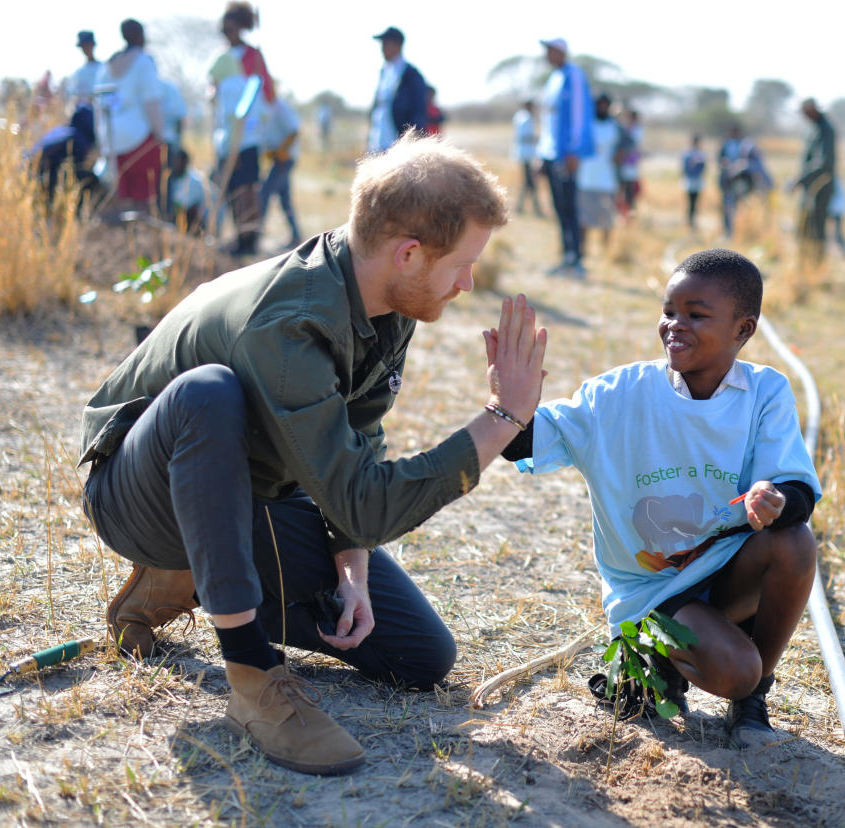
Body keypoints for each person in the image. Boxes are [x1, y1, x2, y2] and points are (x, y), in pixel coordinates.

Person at [80, 134, 547, 776]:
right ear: (409, 254)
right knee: (207, 395)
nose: (468, 284)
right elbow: (368, 501)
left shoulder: (386, 296)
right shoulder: (290, 321)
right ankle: (251, 680)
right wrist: (503, 419)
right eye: (463, 265)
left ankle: (189, 580)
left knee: (420, 656)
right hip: (140, 493)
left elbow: (358, 449)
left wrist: (350, 566)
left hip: (253, 492)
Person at [500, 248, 820, 749]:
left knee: (796, 543)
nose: (675, 325)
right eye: (669, 311)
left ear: (744, 330)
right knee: (734, 669)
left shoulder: (765, 392)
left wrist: (773, 497)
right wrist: (509, 407)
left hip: (725, 569)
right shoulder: (619, 393)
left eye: (696, 315)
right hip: (654, 591)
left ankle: (753, 697)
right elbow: (527, 442)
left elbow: (798, 490)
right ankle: (651, 658)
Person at [210, 2, 271, 256]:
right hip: (226, 135)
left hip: (248, 134)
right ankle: (237, 235)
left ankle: (250, 237)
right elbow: (212, 87)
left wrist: (254, 119)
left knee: (248, 187)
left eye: (232, 26)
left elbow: (266, 92)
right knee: (232, 188)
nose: (228, 31)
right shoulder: (221, 59)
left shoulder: (253, 56)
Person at [536, 37, 594, 277]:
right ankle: (566, 255)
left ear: (561, 51)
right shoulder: (553, 79)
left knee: (570, 206)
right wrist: (542, 153)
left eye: (551, 50)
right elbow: (548, 118)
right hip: (550, 154)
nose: (547, 55)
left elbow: (579, 114)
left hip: (566, 154)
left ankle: (576, 258)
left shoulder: (574, 75)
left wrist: (574, 150)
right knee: (559, 206)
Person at [94, 19, 165, 211]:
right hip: (140, 138)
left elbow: (99, 109)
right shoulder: (144, 62)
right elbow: (152, 102)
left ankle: (126, 237)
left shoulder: (105, 68)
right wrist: (160, 134)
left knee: (122, 197)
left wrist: (103, 143)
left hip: (112, 139)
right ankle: (142, 236)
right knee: (144, 197)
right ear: (140, 36)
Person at [791, 98, 837, 267]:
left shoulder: (826, 129)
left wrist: (800, 179)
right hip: (809, 187)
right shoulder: (813, 128)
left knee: (817, 228)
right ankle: (804, 262)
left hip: (820, 187)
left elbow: (822, 162)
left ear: (812, 111)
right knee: (804, 226)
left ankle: (817, 266)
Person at [367, 27, 428, 153]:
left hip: (397, 147)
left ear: (398, 45)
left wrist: (411, 142)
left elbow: (419, 112)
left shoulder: (411, 74)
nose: (382, 49)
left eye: (386, 44)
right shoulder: (384, 72)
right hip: (378, 143)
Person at [576, 93, 620, 263]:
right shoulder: (586, 125)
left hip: (607, 181)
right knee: (583, 219)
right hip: (586, 179)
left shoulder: (615, 127)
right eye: (599, 105)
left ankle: (606, 251)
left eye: (605, 105)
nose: (602, 108)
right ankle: (582, 250)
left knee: (607, 219)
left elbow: (627, 144)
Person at [259, 95, 303, 248]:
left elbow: (294, 131)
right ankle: (296, 235)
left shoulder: (280, 107)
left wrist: (281, 152)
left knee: (264, 193)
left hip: (284, 160)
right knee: (285, 199)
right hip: (277, 159)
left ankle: (256, 233)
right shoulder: (265, 108)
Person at [717, 123, 771, 238]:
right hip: (729, 182)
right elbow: (720, 160)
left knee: (743, 206)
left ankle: (742, 232)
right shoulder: (726, 145)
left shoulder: (746, 146)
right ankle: (729, 232)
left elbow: (757, 164)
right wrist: (725, 165)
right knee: (728, 207)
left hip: (742, 181)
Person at [511, 100, 544, 216]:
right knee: (530, 182)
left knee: (529, 182)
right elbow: (523, 136)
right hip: (526, 154)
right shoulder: (525, 118)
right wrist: (536, 139)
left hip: (527, 153)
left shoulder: (522, 117)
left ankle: (521, 206)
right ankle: (535, 208)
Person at [167, 148, 208, 234]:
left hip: (200, 222)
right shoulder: (174, 178)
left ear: (185, 163)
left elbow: (183, 205)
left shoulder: (193, 180)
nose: (175, 164)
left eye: (178, 162)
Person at [615, 107, 643, 216]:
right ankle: (622, 210)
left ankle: (629, 210)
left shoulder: (635, 129)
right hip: (621, 163)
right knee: (621, 188)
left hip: (630, 163)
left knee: (630, 189)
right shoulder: (623, 128)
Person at [65, 30, 101, 112]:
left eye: (88, 46)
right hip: (86, 114)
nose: (86, 49)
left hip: (102, 111)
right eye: (84, 47)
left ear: (93, 46)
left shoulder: (104, 68)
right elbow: (75, 97)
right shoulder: (78, 73)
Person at [682, 134, 706, 231]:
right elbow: (685, 168)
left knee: (695, 202)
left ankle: (693, 221)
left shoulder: (700, 154)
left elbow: (703, 167)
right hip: (690, 180)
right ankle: (690, 221)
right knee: (690, 202)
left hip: (697, 181)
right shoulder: (688, 154)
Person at [828, 176, 845, 260]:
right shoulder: (837, 179)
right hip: (838, 209)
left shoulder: (832, 180)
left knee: (837, 235)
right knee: (836, 235)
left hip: (835, 210)